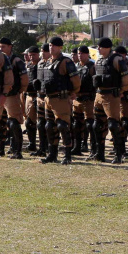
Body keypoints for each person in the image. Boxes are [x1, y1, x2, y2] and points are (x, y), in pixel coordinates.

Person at [39, 36, 80, 164]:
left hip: (61, 99)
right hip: (48, 99)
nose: (51, 48)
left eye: (54, 45)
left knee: (63, 126)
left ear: (60, 47)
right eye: (50, 45)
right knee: (49, 126)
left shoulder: (66, 62)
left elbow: (76, 80)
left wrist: (73, 93)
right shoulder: (47, 62)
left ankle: (67, 155)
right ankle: (52, 154)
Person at [92, 37, 128, 163]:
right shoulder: (98, 61)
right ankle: (99, 153)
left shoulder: (116, 60)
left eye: (100, 47)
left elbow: (126, 80)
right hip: (99, 95)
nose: (98, 49)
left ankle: (119, 155)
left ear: (107, 47)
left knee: (113, 125)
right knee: (97, 125)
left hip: (111, 95)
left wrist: (120, 91)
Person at [0, 37, 29, 159]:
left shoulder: (16, 61)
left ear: (10, 47)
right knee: (0, 123)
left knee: (13, 123)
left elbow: (25, 79)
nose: (1, 49)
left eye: (3, 47)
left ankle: (17, 150)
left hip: (11, 95)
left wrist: (20, 91)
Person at [73, 46, 96, 157]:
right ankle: (77, 147)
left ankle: (94, 149)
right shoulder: (76, 66)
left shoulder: (92, 67)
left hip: (88, 100)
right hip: (77, 99)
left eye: (82, 53)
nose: (80, 55)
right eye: (78, 53)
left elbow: (96, 84)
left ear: (87, 54)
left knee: (90, 125)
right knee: (76, 124)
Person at [24, 45, 43, 155]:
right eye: (30, 55)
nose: (31, 57)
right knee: (29, 122)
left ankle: (43, 146)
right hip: (29, 96)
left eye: (34, 55)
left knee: (41, 123)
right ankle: (32, 144)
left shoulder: (42, 65)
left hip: (40, 96)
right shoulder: (28, 65)